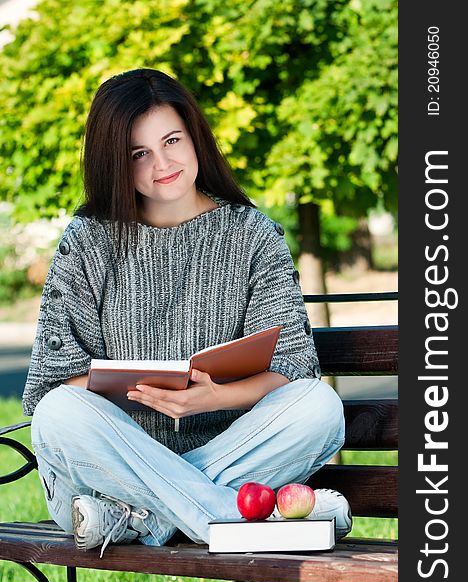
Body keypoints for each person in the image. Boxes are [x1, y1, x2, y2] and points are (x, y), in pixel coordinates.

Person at [23, 68, 351, 556]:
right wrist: (141, 390)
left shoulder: (253, 236)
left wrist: (208, 399)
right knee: (58, 412)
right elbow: (52, 385)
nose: (163, 163)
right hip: (107, 470)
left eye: (172, 140)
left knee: (318, 406)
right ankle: (225, 516)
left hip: (162, 481)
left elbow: (291, 370)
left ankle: (144, 520)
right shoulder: (87, 241)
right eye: (139, 153)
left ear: (195, 137)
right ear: (115, 161)